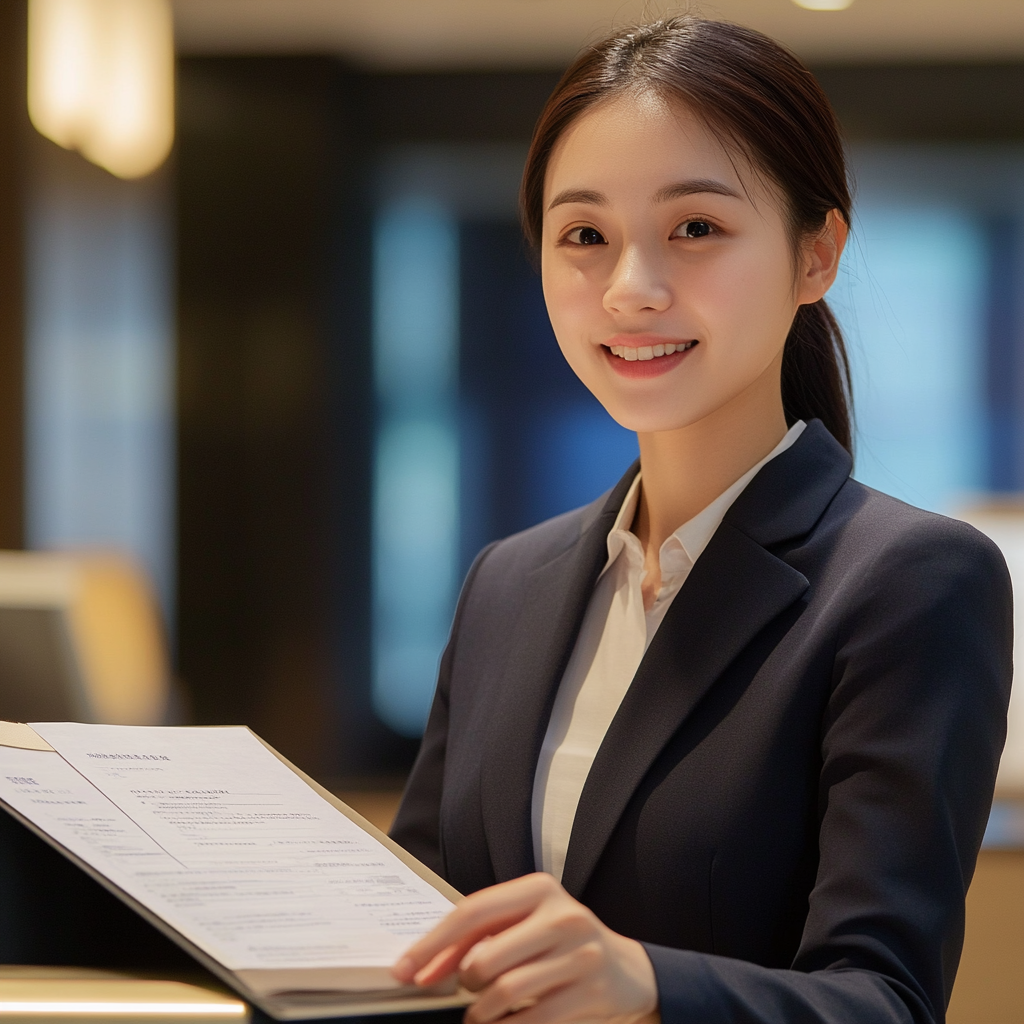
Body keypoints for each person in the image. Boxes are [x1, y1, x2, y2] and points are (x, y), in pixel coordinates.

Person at [388, 16, 1013, 1024]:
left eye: (696, 228)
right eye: (584, 235)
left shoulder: (913, 580)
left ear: (816, 256)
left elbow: (885, 1000)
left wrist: (642, 983)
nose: (630, 289)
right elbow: (410, 924)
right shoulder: (506, 582)